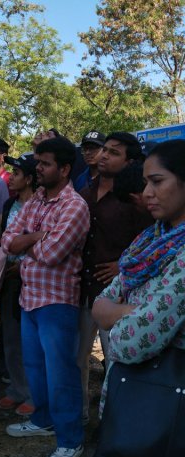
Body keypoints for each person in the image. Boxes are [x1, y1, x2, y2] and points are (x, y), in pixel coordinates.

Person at [91, 139, 185, 457]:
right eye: (145, 183)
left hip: (167, 402)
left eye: (157, 181)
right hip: (137, 395)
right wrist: (140, 313)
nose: (146, 193)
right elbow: (99, 307)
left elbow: (129, 343)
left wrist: (120, 315)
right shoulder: (149, 241)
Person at [0, 136, 90, 457]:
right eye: (37, 162)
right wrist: (36, 237)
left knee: (60, 373)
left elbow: (53, 254)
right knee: (35, 368)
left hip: (57, 300)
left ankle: (70, 440)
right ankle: (43, 419)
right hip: (30, 297)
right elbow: (7, 241)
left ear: (64, 169)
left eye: (45, 164)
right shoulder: (36, 200)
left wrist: (28, 242)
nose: (38, 168)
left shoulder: (74, 206)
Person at [77, 131, 152, 422]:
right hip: (83, 288)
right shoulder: (84, 192)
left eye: (113, 152)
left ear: (130, 161)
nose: (104, 155)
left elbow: (149, 242)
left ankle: (114, 423)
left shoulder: (138, 198)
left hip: (121, 293)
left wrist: (121, 266)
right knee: (78, 358)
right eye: (104, 150)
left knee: (116, 360)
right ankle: (81, 415)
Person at [0, 155, 39, 415]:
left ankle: (33, 393)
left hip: (33, 278)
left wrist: (22, 264)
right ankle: (17, 388)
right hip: (8, 277)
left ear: (29, 179)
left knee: (30, 339)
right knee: (10, 335)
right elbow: (4, 237)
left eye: (17, 173)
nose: (11, 178)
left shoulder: (42, 206)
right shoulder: (10, 204)